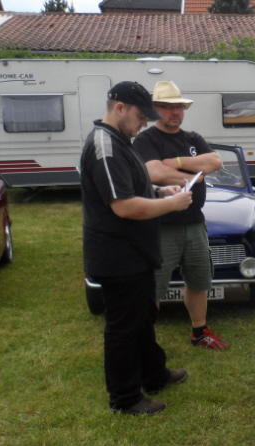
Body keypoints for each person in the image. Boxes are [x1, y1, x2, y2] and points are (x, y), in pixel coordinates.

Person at [80, 81, 192, 416]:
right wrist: (172, 205)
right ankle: (125, 398)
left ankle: (153, 375)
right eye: (141, 116)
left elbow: (129, 186)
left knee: (144, 318)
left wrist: (158, 192)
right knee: (123, 328)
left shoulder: (120, 141)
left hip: (136, 252)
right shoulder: (105, 145)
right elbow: (124, 206)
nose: (144, 123)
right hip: (117, 256)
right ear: (119, 108)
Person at [133, 81, 230, 351]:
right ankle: (143, 339)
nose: (175, 112)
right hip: (162, 225)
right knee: (154, 286)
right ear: (155, 109)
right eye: (167, 107)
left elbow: (215, 162)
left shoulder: (192, 139)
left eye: (179, 107)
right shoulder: (146, 140)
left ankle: (199, 331)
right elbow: (153, 172)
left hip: (195, 223)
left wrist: (175, 163)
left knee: (199, 280)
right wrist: (195, 176)